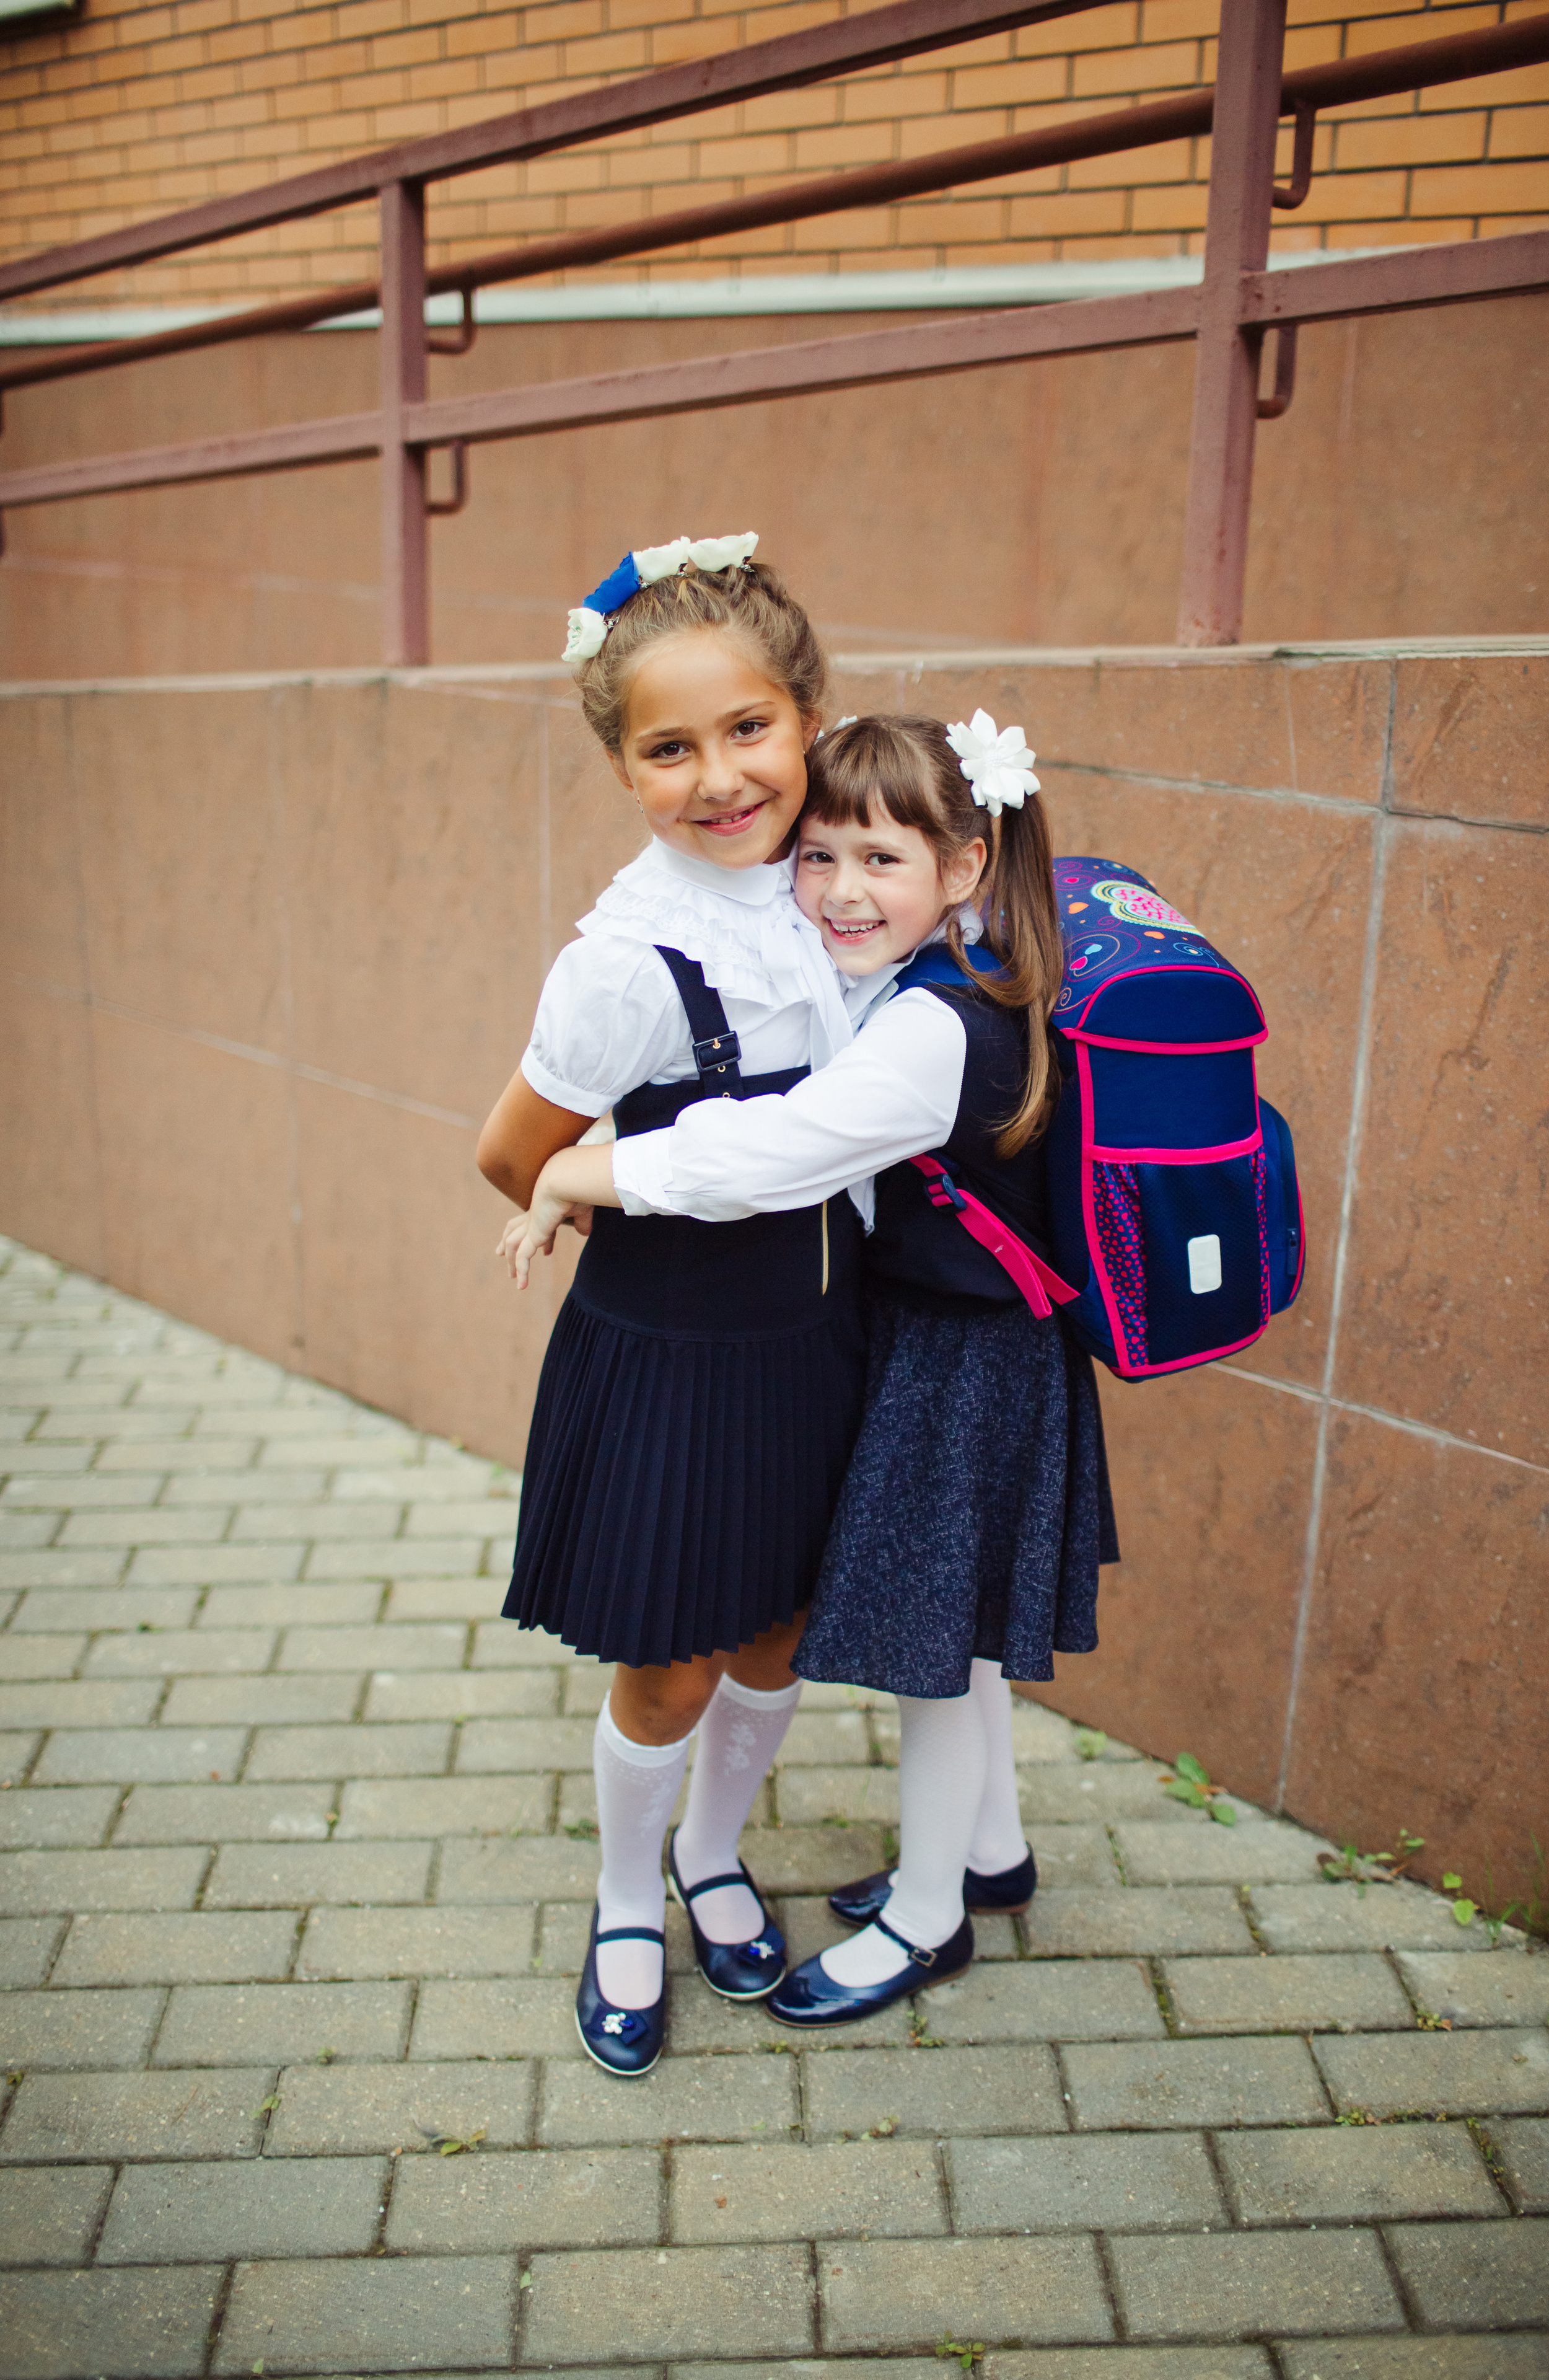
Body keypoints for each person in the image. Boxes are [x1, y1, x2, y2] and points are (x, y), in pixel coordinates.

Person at [511, 710, 1118, 2025]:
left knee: (938, 1654)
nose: (842, 891)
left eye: (880, 862)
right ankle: (991, 1852)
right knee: (956, 1639)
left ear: (962, 865)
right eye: (820, 855)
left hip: (959, 1365)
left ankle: (927, 1919)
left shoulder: (935, 1026)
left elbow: (779, 1150)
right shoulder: (965, 962)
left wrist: (586, 1168)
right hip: (961, 1347)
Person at [478, 537, 884, 2075]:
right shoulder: (628, 961)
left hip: (818, 1339)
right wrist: (620, 1198)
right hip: (676, 1352)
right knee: (671, 1657)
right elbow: (513, 1154)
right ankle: (622, 1897)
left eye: (748, 729)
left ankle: (717, 1855)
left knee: (777, 1631)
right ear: (619, 765)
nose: (719, 776)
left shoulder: (838, 878)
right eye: (668, 748)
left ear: (807, 717)